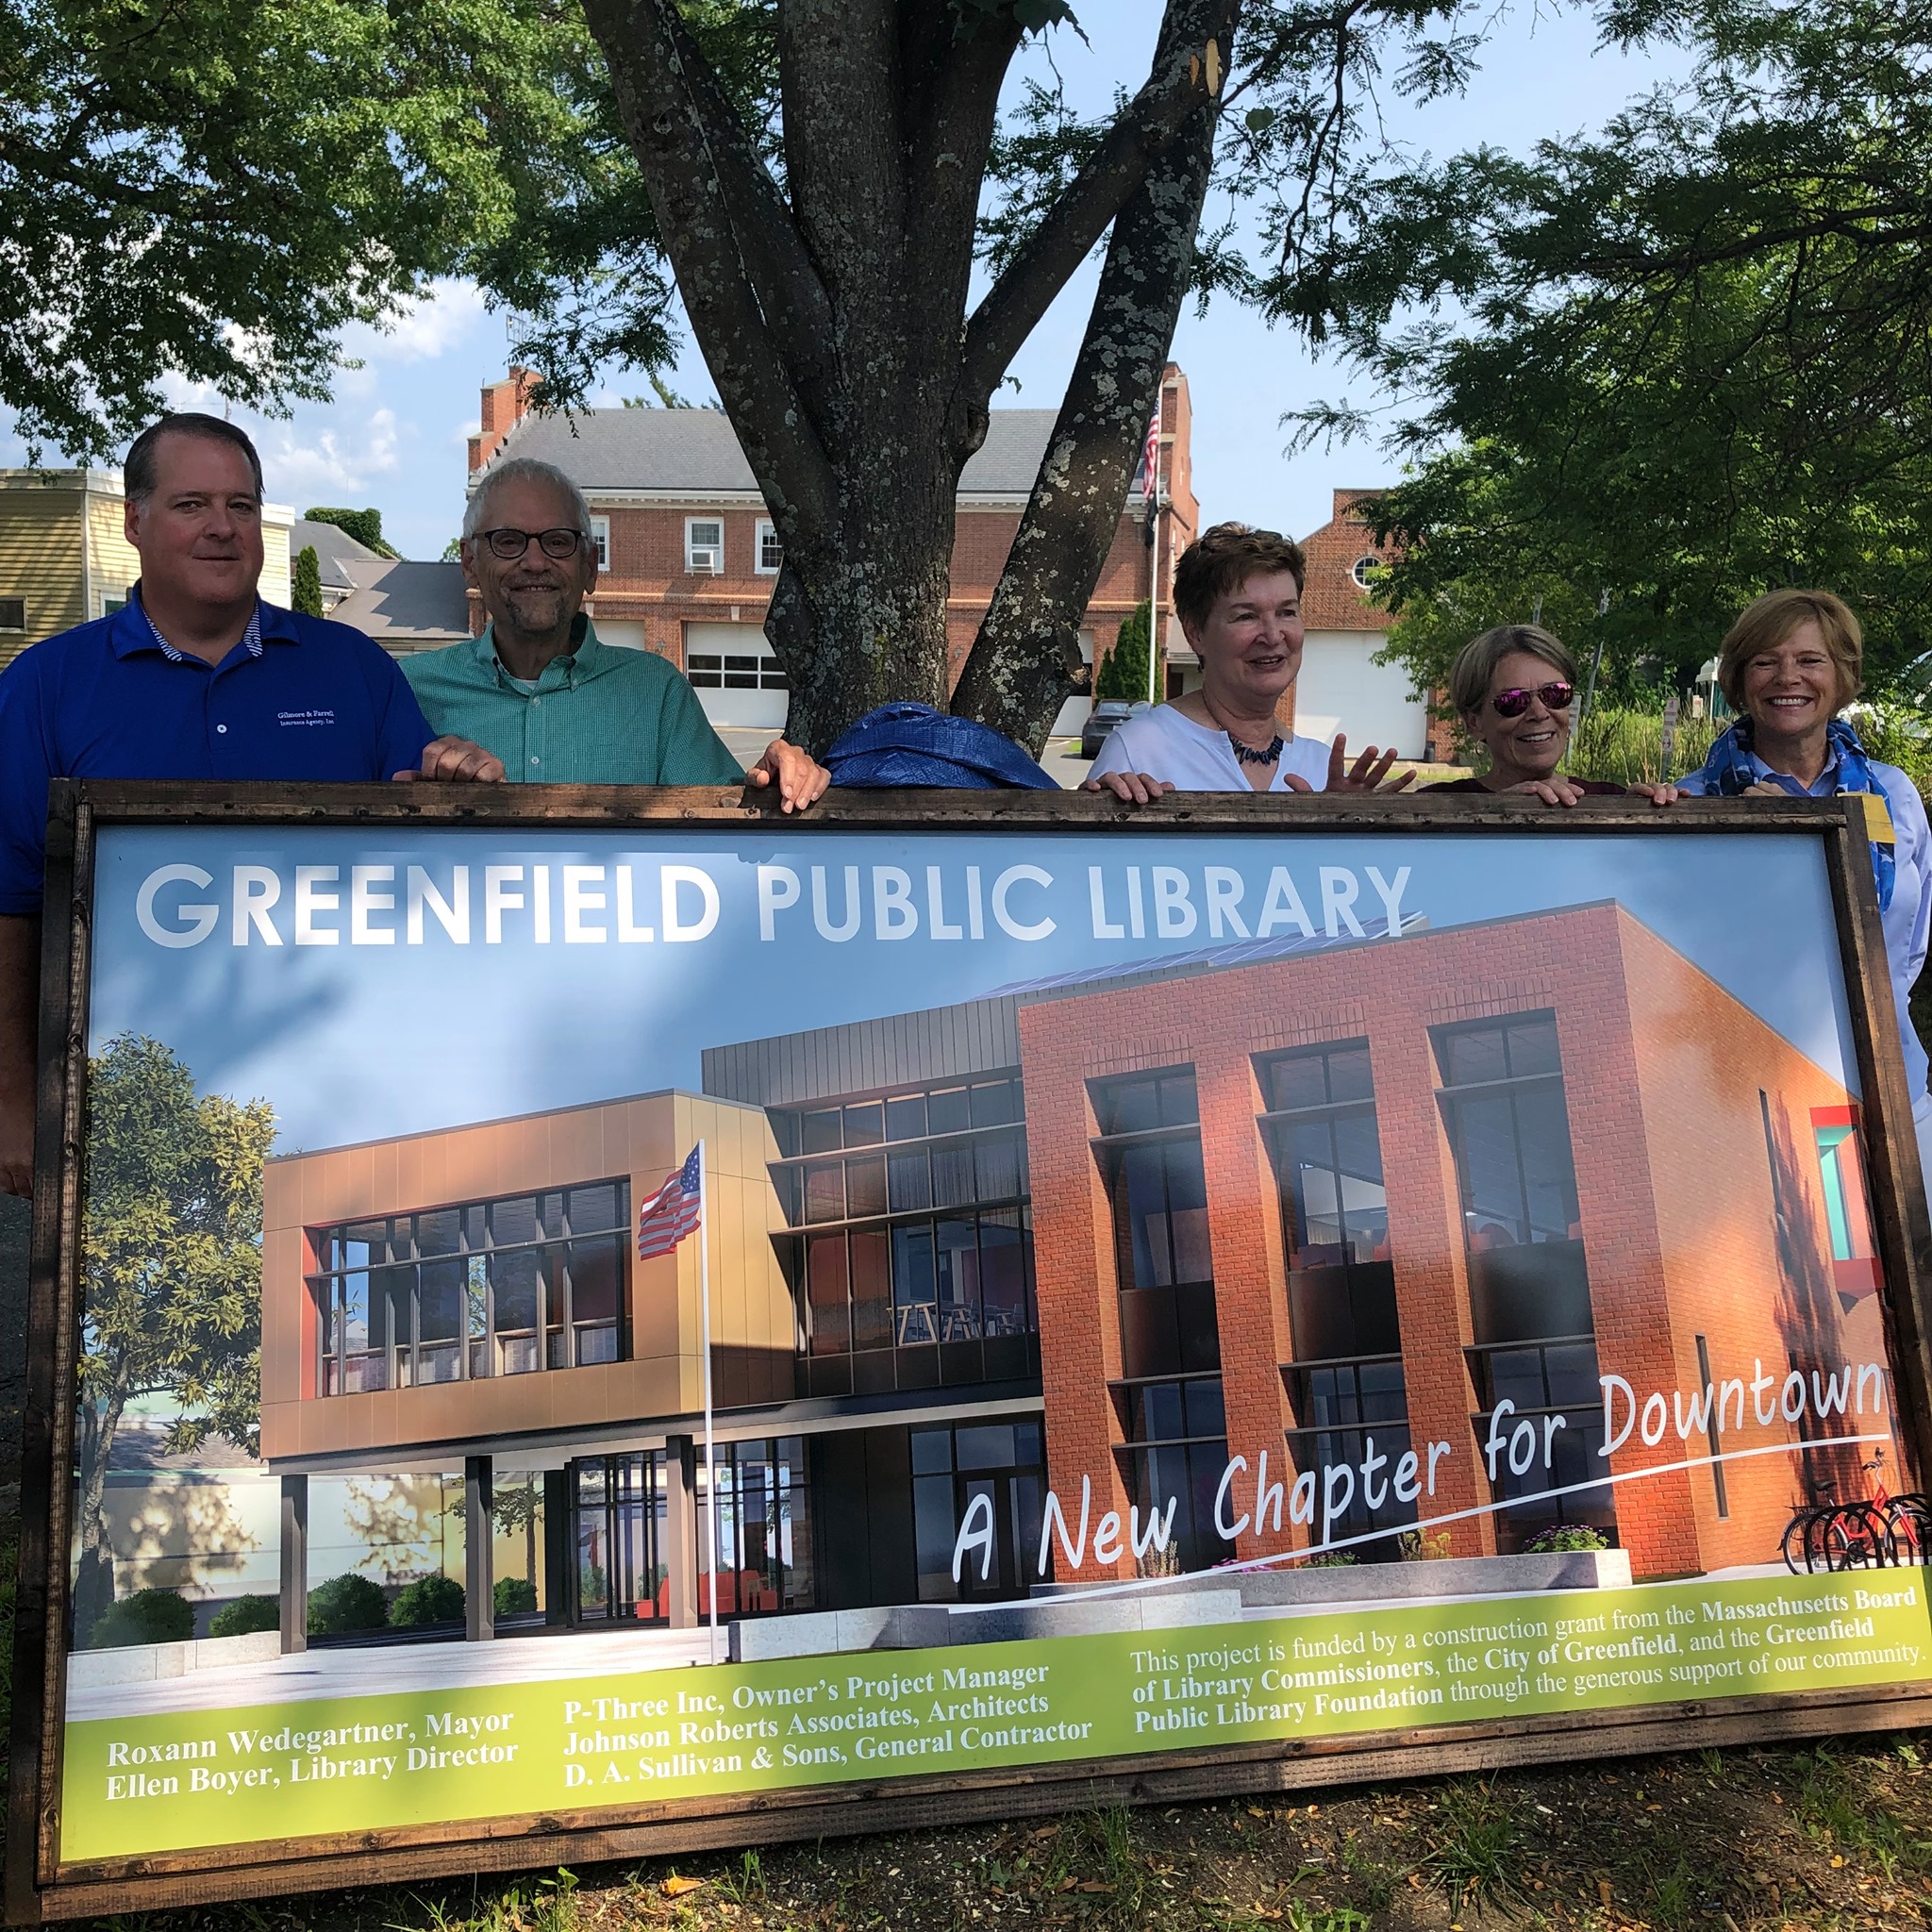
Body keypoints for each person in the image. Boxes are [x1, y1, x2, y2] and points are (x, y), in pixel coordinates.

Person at [0, 412, 504, 1199]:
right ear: (135, 522)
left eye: (241, 505)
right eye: (191, 504)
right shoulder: (44, 686)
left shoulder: (352, 670)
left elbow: (427, 854)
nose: (222, 529)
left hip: (342, 1083)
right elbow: (12, 906)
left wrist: (463, 791)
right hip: (126, 1099)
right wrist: (14, 1098)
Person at [1675, 589, 1932, 1186]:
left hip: (1892, 1081)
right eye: (1765, 661)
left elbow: (1910, 943)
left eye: (1810, 660)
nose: (1787, 676)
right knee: (1820, 1271)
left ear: (1842, 677)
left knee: (1913, 1271)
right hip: (1755, 1099)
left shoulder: (1893, 794)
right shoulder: (1690, 805)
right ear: (1739, 680)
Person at [402, 458, 829, 807]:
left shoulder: (655, 693)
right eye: (508, 541)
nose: (534, 562)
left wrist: (776, 784)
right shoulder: (404, 690)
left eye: (557, 541)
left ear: (589, 567)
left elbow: (725, 824)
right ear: (470, 562)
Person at [1084, 523, 1413, 802]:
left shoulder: (1323, 767)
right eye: (1246, 616)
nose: (1272, 635)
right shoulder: (1140, 751)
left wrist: (1354, 833)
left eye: (1287, 612)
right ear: (1196, 632)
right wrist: (1107, 809)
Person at [1424, 624, 1675, 806]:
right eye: (1513, 701)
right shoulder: (1434, 806)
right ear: (1474, 722)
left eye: (1555, 694)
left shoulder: (1609, 798)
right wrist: (1497, 811)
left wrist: (1647, 814)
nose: (1539, 712)